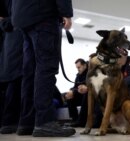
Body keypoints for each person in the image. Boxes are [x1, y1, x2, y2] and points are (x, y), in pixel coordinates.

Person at [11, 0, 75, 137]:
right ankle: (44, 122)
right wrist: (66, 13)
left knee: (30, 72)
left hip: (22, 16)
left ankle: (27, 122)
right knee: (46, 69)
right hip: (43, 13)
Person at [0, 0, 23, 134]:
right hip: (16, 40)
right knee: (17, 82)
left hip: (10, 43)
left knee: (14, 83)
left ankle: (9, 122)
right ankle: (10, 121)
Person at [64, 58, 88, 126]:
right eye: (77, 68)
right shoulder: (78, 75)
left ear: (84, 65)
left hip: (86, 94)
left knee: (84, 95)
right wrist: (71, 91)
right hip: (79, 94)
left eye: (79, 67)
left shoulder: (89, 73)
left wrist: (74, 92)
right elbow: (75, 86)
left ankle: (81, 121)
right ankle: (75, 119)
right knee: (69, 97)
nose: (78, 69)